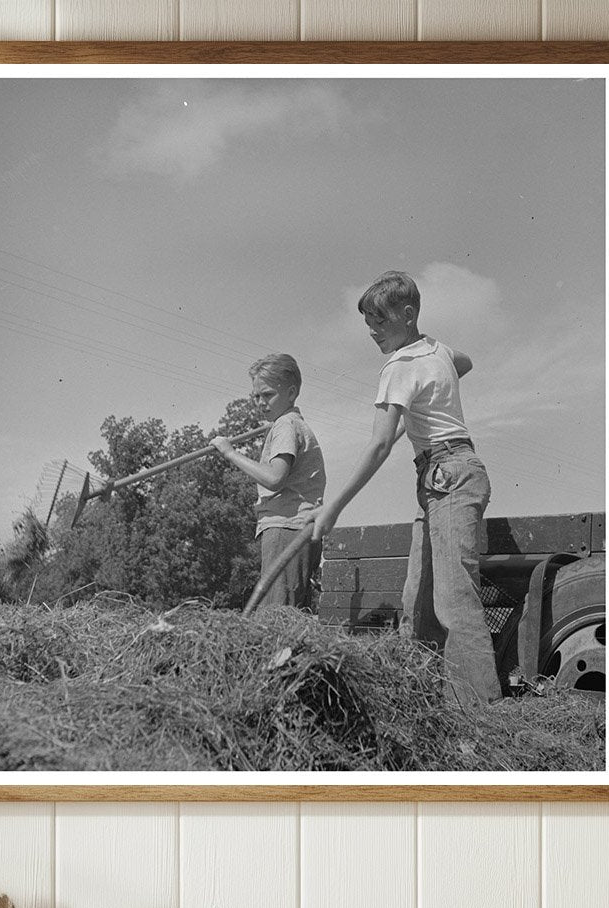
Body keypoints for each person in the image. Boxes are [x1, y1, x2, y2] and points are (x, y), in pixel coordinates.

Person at [308, 271, 500, 703]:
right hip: (446, 474)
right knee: (418, 598)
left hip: (447, 475)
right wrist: (428, 403)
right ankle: (428, 701)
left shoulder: (397, 366)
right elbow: (462, 363)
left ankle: (483, 716)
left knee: (453, 603)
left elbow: (378, 446)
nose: (372, 331)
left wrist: (333, 508)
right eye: (368, 323)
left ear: (407, 314)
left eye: (380, 321)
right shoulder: (436, 349)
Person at [211, 354, 326, 609]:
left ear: (292, 392)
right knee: (291, 614)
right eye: (256, 397)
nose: (260, 403)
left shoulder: (286, 426)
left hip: (287, 527)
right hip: (299, 529)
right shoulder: (290, 424)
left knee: (276, 614)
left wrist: (230, 453)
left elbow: (275, 478)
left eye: (268, 395)